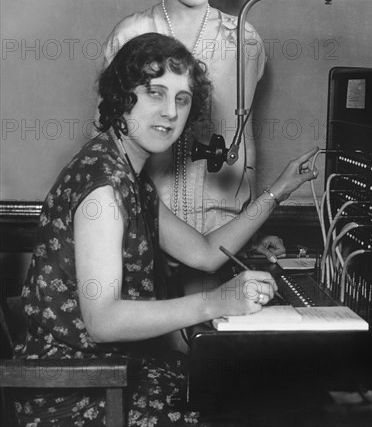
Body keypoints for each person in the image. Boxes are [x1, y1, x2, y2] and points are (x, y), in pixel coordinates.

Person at [14, 33, 318, 426]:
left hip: (116, 376)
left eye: (182, 98)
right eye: (155, 93)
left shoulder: (126, 174)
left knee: (255, 395)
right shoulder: (103, 189)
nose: (171, 112)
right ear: (122, 96)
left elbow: (206, 253)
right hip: (79, 394)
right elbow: (103, 322)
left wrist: (279, 189)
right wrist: (215, 303)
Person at [102, 0, 272, 239]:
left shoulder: (245, 40)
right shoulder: (130, 35)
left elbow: (245, 133)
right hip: (142, 221)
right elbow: (107, 134)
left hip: (222, 224)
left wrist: (247, 218)